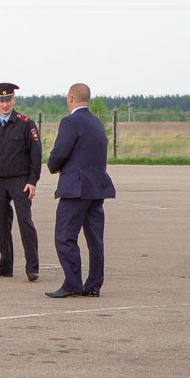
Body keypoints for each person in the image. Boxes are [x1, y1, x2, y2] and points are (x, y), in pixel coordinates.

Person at [44, 83, 116, 298]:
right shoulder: (97, 122)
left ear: (70, 99)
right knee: (95, 239)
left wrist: (52, 166)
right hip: (97, 188)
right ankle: (93, 284)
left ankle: (73, 283)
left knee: (65, 236)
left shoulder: (70, 121)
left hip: (75, 189)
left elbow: (60, 152)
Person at [0, 82, 43, 282]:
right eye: (1, 100)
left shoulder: (26, 123)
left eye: (8, 100)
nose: (4, 104)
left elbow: (36, 154)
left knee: (25, 222)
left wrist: (33, 181)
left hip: (20, 181)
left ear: (14, 100)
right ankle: (5, 264)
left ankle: (32, 266)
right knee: (1, 223)